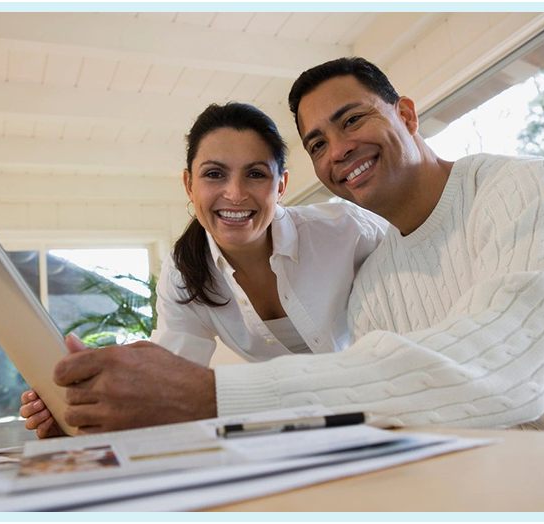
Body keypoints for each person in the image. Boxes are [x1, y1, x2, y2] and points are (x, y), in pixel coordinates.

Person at [27, 57, 544, 435]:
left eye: (353, 120)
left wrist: (217, 395)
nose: (339, 150)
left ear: (407, 113)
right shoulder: (376, 278)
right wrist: (96, 405)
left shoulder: (532, 185)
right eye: (319, 142)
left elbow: (508, 368)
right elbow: (382, 406)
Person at [20, 102, 387, 437]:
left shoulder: (348, 231)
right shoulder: (184, 274)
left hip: (382, 412)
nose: (235, 193)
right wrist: (78, 410)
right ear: (188, 185)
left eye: (256, 174)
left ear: (282, 186)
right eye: (214, 175)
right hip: (289, 435)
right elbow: (167, 391)